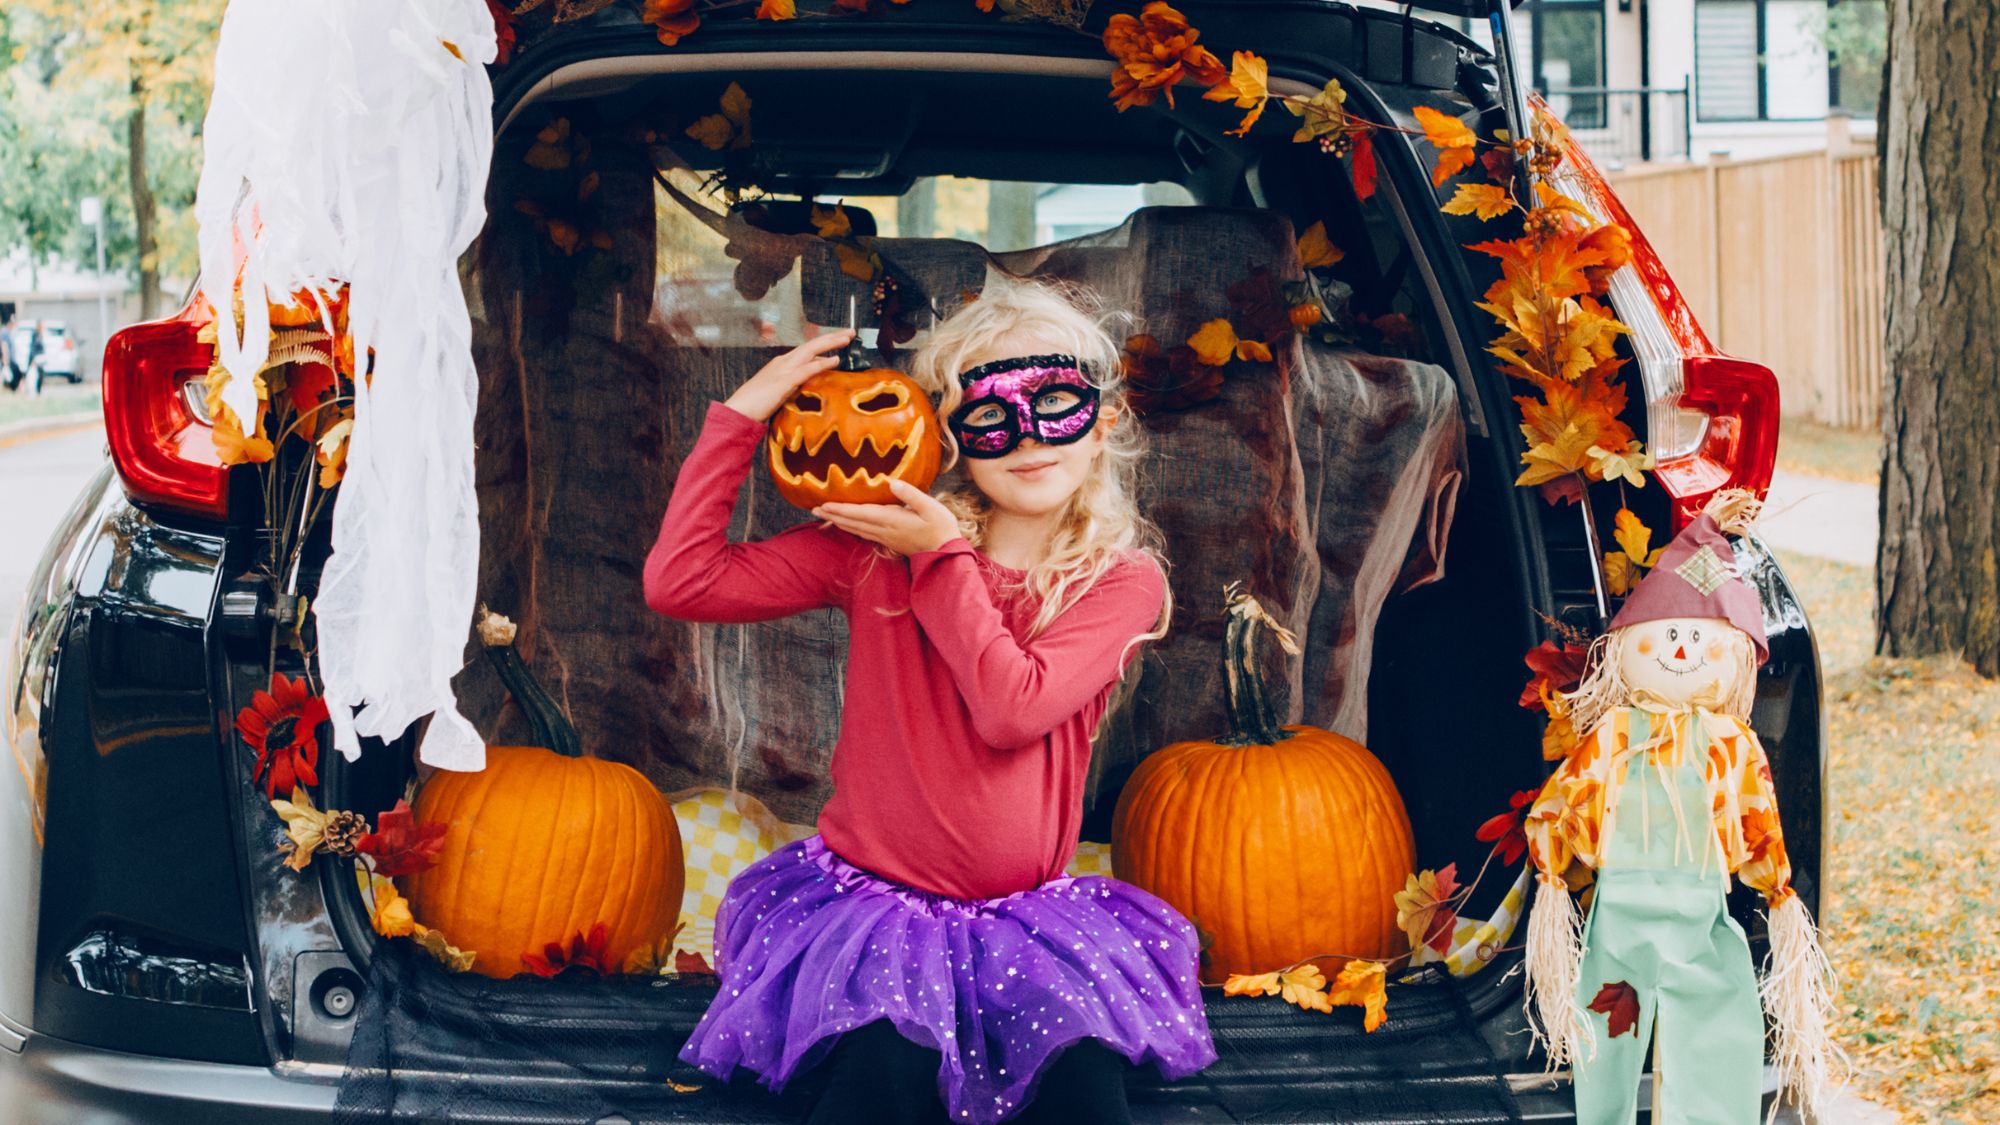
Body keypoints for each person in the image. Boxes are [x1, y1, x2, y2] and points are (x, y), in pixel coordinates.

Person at [644, 278, 1216, 1124]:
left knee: (1084, 1099)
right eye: (991, 415)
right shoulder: (875, 553)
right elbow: (681, 579)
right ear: (946, 439)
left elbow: (1011, 707)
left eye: (1055, 402)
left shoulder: (1120, 580)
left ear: (1104, 425)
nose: (1027, 438)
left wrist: (941, 557)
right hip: (877, 920)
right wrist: (742, 414)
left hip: (1029, 927)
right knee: (878, 1085)